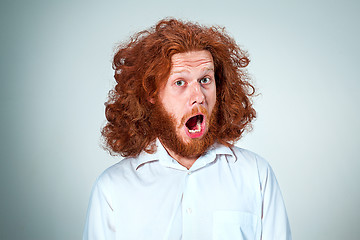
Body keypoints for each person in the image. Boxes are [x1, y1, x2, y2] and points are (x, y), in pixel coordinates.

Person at [83, 18, 292, 240]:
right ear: (152, 94)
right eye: (180, 82)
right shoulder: (112, 188)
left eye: (205, 80)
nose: (199, 97)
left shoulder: (256, 174)